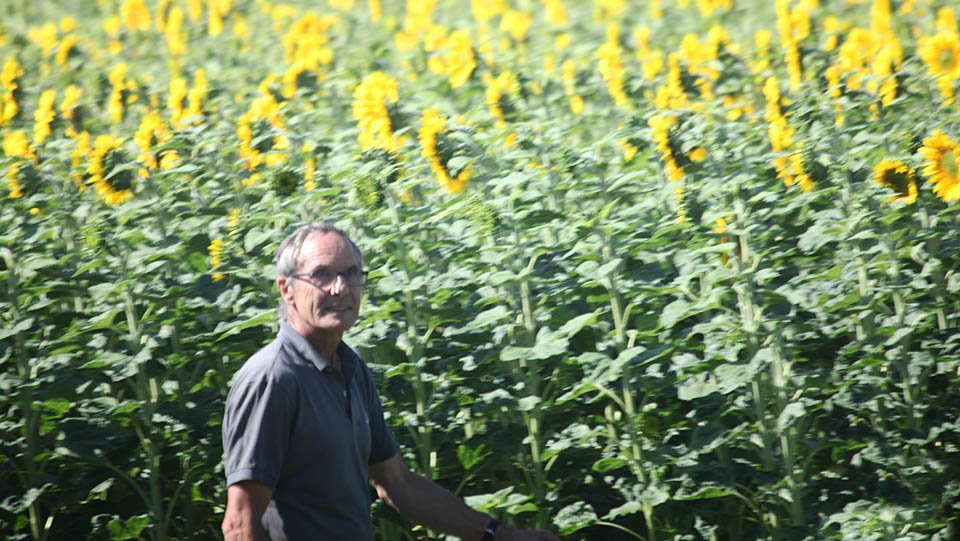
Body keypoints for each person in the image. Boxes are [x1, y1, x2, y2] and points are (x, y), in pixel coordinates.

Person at [222, 223, 560, 541]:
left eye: (351, 273)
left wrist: (503, 535)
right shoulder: (273, 379)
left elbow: (398, 484)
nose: (340, 288)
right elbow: (240, 522)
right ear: (287, 289)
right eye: (322, 275)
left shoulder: (351, 369)